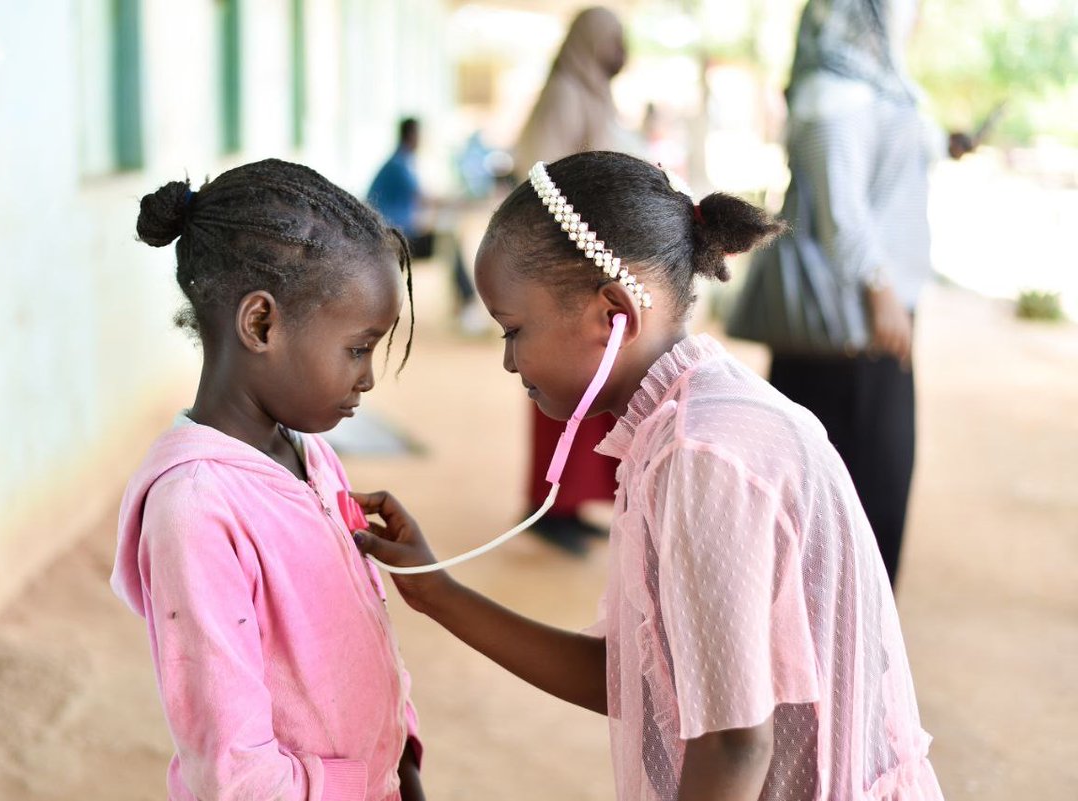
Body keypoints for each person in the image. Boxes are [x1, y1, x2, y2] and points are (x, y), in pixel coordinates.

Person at [354, 151, 944, 801]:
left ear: (614, 315)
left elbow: (733, 742)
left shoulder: (700, 454)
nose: (507, 359)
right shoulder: (678, 424)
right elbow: (634, 678)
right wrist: (440, 592)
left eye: (513, 330)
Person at [111, 159, 425, 801]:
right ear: (261, 324)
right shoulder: (196, 510)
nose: (368, 378)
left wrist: (403, 765)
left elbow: (366, 639)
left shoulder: (308, 454)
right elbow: (235, 772)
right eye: (358, 348)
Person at [727, 0, 972, 588]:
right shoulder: (829, 97)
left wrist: (948, 143)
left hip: (866, 322)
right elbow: (843, 211)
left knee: (873, 497)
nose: (916, 18)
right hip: (847, 327)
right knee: (850, 499)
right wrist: (881, 291)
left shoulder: (877, 87)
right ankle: (829, 660)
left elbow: (890, 158)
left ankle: (853, 651)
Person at [514, 6, 639, 554]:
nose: (620, 50)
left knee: (596, 384)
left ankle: (569, 502)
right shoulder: (565, 94)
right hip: (568, 269)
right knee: (561, 381)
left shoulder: (596, 97)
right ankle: (548, 506)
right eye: (611, 40)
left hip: (599, 264)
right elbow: (541, 179)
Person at [368, 117, 486, 336]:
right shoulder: (398, 165)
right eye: (420, 135)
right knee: (447, 240)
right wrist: (461, 202)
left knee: (447, 239)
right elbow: (425, 199)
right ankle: (467, 307)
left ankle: (463, 306)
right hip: (393, 241)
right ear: (412, 135)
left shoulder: (400, 162)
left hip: (397, 236)